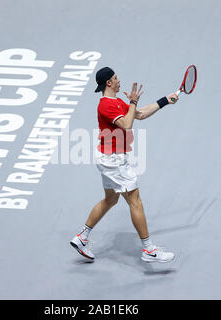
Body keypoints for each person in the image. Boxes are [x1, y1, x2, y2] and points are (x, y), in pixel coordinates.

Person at [70, 67, 179, 262]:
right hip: (114, 161)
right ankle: (148, 250)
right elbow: (127, 124)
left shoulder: (117, 101)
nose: (119, 81)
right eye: (116, 78)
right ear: (109, 83)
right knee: (135, 200)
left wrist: (164, 101)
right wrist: (133, 101)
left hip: (108, 157)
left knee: (110, 200)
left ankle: (82, 237)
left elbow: (139, 115)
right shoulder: (106, 105)